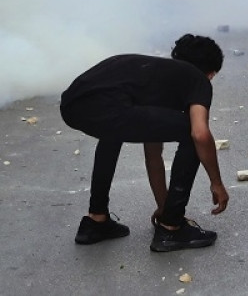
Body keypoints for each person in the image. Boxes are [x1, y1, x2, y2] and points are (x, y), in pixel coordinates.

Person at [60, 34, 229, 252]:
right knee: (189, 131)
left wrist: (163, 206)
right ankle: (172, 229)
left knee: (112, 131)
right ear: (211, 73)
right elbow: (200, 134)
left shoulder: (154, 77)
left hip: (73, 104)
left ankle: (96, 220)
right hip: (106, 104)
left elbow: (153, 154)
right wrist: (216, 183)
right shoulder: (196, 78)